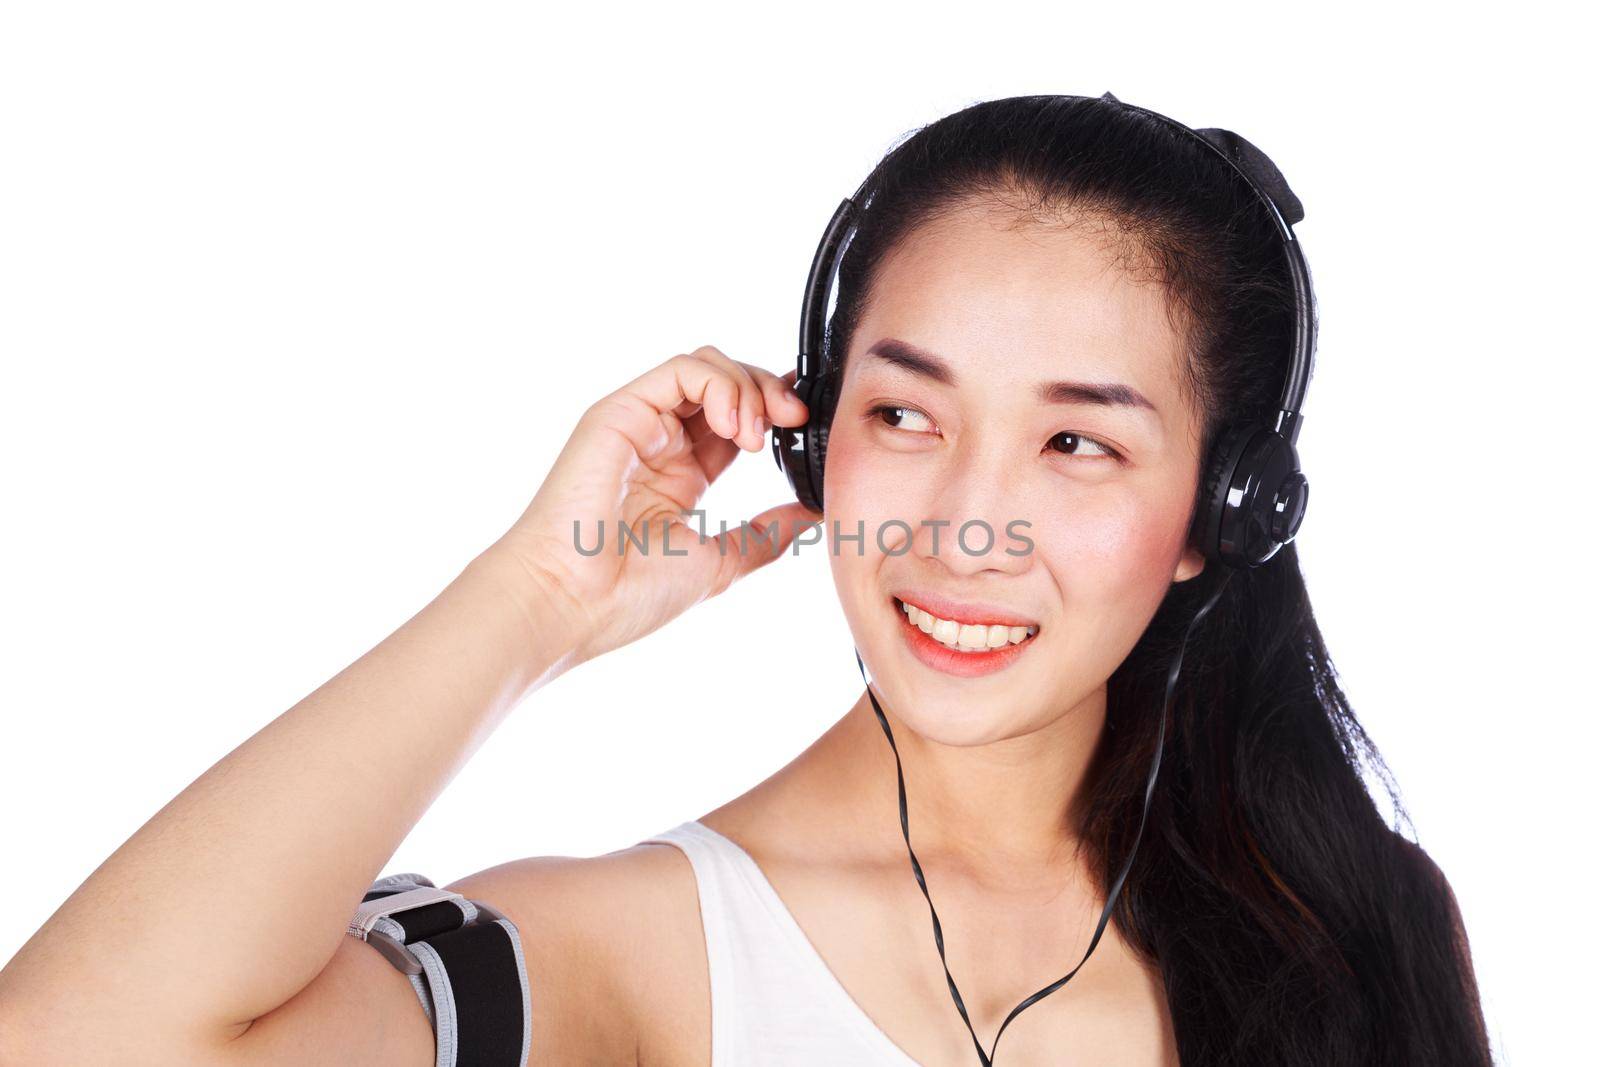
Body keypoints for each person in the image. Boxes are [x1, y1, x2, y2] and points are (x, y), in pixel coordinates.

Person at [0, 94, 1491, 1066]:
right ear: (814, 439)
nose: (965, 523)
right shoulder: (640, 954)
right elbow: (71, 1043)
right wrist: (536, 603)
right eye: (905, 416)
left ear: (1220, 513)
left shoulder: (1352, 924)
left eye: (1076, 445)